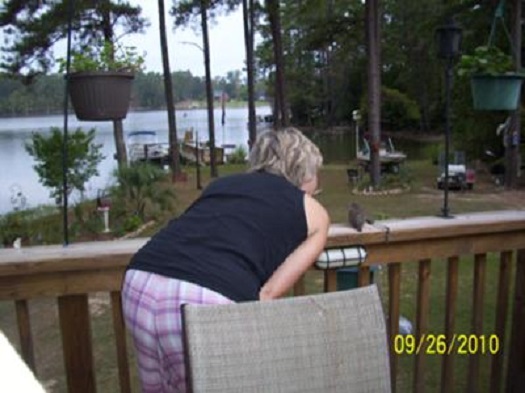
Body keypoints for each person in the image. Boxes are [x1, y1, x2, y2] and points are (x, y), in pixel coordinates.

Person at [121, 127, 330, 392]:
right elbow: (267, 295)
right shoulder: (313, 211)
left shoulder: (222, 185)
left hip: (139, 284)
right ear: (305, 171)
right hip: (205, 302)